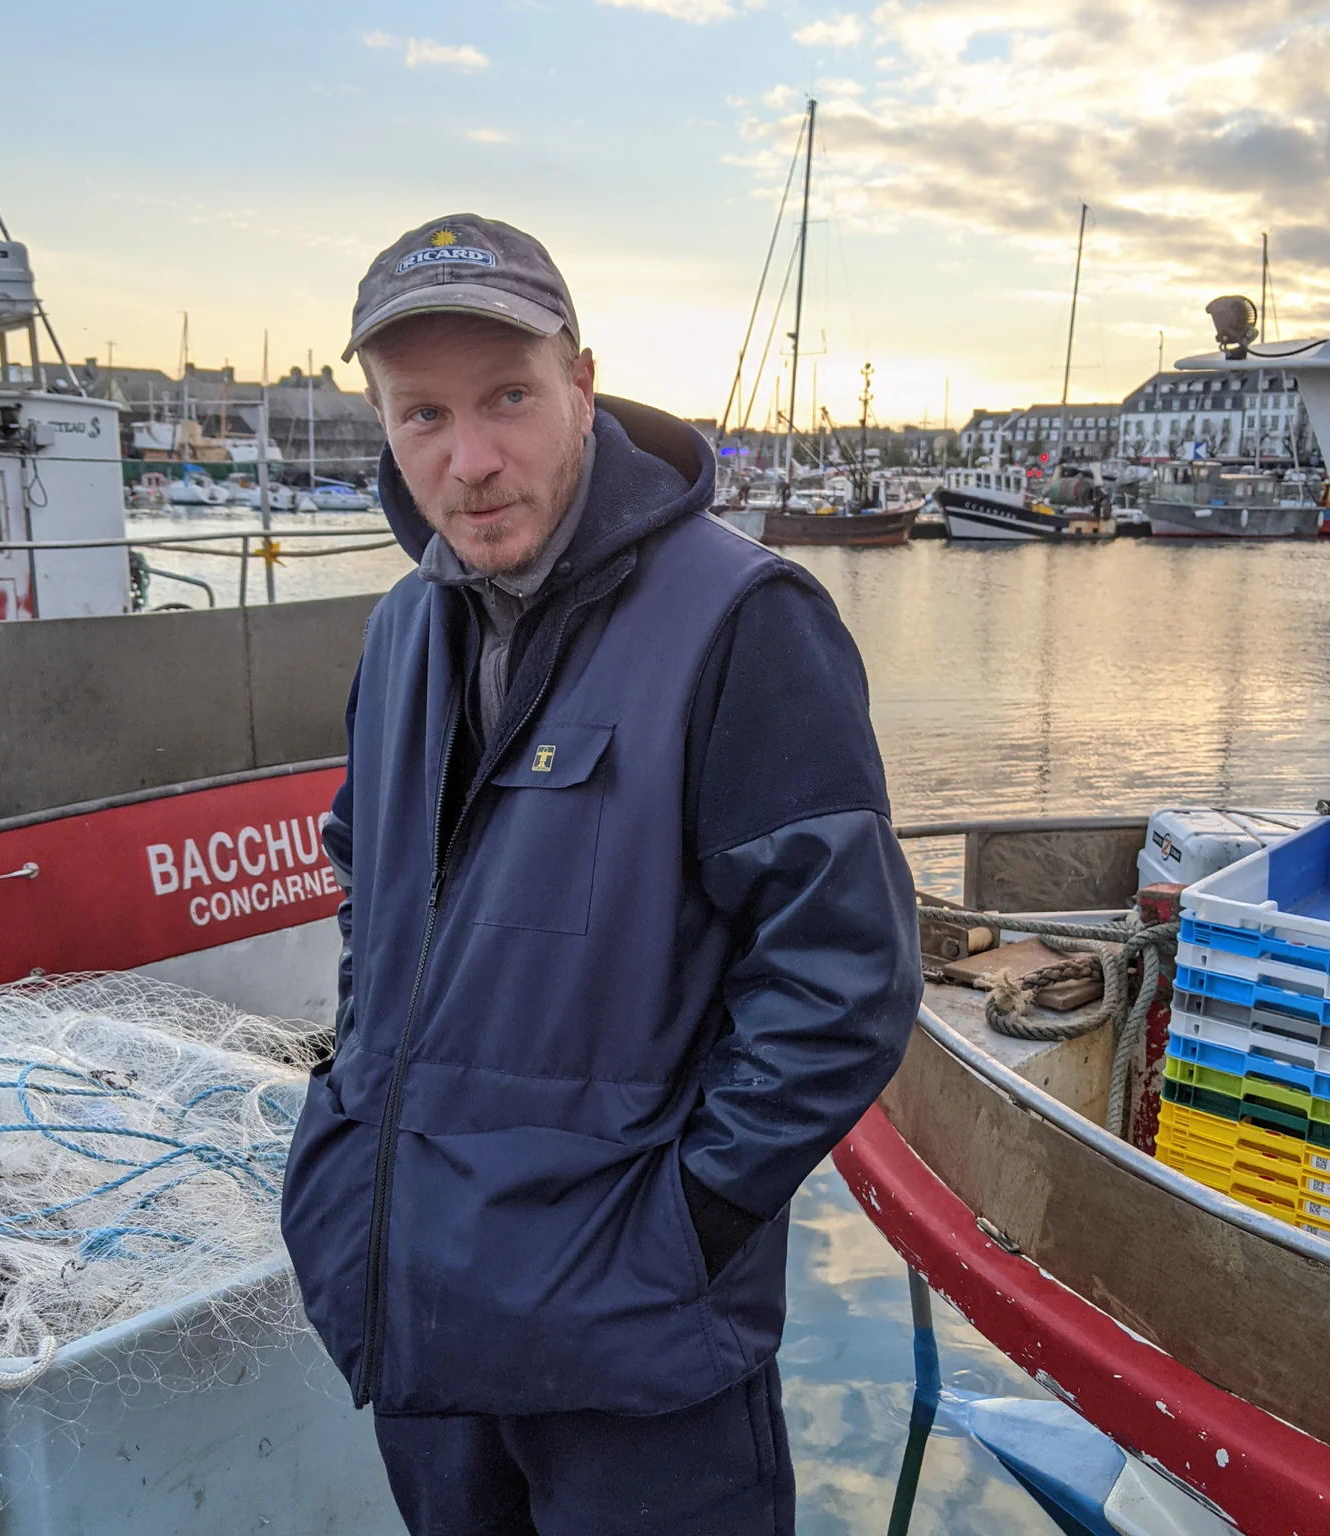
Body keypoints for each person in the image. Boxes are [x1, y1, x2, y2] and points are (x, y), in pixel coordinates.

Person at [281, 213, 921, 1536]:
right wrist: (349, 1126)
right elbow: (370, 879)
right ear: (384, 429)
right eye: (423, 417)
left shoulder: (744, 624)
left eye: (508, 398)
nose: (469, 460)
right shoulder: (402, 631)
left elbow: (845, 976)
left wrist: (679, 1227)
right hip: (430, 1344)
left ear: (581, 384)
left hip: (640, 1370)